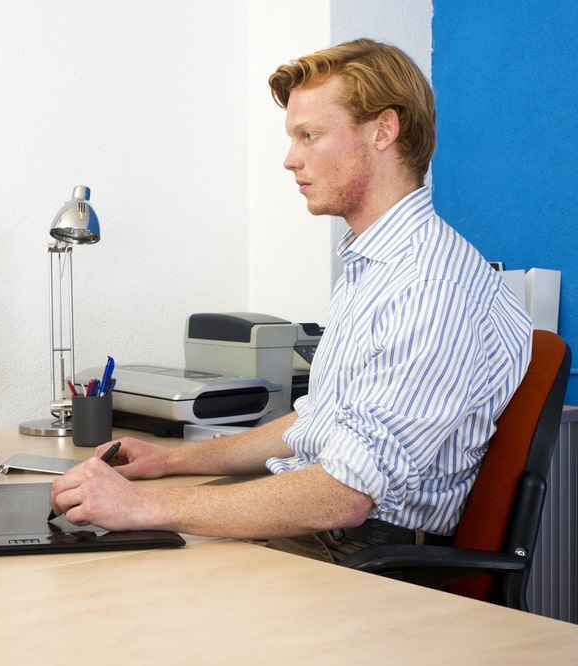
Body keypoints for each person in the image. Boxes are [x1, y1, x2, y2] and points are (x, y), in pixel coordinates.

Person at [48, 38, 533, 563]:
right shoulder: (376, 266)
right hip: (328, 527)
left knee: (110, 574)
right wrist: (167, 463)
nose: (289, 159)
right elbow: (317, 421)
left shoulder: (429, 287)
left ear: (383, 131)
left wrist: (144, 506)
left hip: (357, 553)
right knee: (94, 550)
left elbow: (342, 494)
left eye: (310, 136)